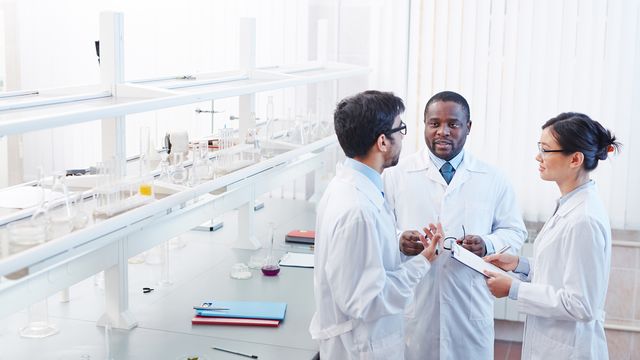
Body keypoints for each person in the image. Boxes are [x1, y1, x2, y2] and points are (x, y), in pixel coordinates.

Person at [382, 90, 527, 359]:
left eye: (453, 124)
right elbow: (378, 229)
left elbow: (515, 231)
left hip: (468, 305)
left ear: (468, 127)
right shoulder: (395, 175)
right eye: (434, 124)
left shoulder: (492, 178)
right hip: (415, 303)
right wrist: (399, 239)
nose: (443, 132)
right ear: (424, 125)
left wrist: (486, 244)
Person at [309, 90, 442, 359]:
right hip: (361, 347)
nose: (404, 136)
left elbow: (359, 260)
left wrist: (398, 243)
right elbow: (369, 301)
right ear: (383, 141)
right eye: (400, 129)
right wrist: (423, 262)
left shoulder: (348, 186)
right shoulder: (358, 208)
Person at [484, 112, 620, 359]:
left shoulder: (584, 218)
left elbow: (581, 305)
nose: (538, 156)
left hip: (570, 349)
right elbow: (562, 270)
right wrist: (519, 264)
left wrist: (514, 289)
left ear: (575, 159)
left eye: (546, 150)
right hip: (553, 343)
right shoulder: (570, 204)